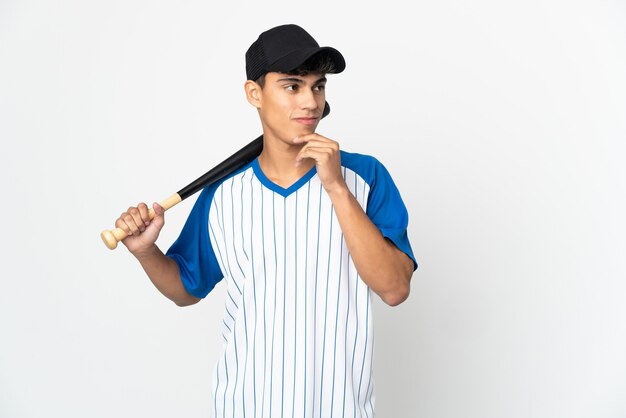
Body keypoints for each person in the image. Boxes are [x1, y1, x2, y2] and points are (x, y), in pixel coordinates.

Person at [114, 23, 417, 417]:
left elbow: (394, 289)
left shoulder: (365, 177)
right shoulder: (223, 194)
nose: (310, 102)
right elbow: (186, 289)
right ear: (254, 94)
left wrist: (336, 188)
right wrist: (145, 252)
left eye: (318, 86)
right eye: (292, 86)